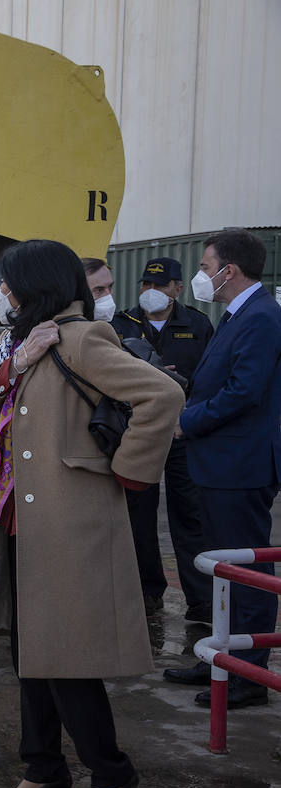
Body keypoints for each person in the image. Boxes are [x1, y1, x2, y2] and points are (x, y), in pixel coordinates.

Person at [0, 239, 181, 788]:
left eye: (12, 283)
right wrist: (17, 363)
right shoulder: (22, 341)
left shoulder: (82, 338)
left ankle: (110, 772)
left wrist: (128, 470)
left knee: (67, 660)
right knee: (29, 652)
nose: (5, 293)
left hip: (71, 523)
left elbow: (162, 394)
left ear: (36, 285)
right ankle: (43, 767)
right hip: (21, 520)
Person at [165, 229, 281, 709]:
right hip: (220, 462)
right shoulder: (238, 314)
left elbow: (244, 391)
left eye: (205, 267)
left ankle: (248, 675)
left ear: (228, 271)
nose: (201, 276)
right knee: (222, 568)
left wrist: (187, 421)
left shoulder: (261, 317)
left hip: (240, 465)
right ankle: (221, 657)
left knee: (244, 571)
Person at [107, 257, 214, 619]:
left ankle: (201, 600)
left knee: (190, 515)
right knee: (138, 515)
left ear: (177, 289)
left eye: (160, 285)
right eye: (146, 284)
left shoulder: (197, 324)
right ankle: (146, 592)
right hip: (139, 432)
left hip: (183, 432)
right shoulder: (121, 323)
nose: (150, 291)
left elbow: (209, 379)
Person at [83, 257, 118, 321]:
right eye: (99, 290)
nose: (108, 295)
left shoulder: (120, 324)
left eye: (110, 287)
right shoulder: (65, 326)